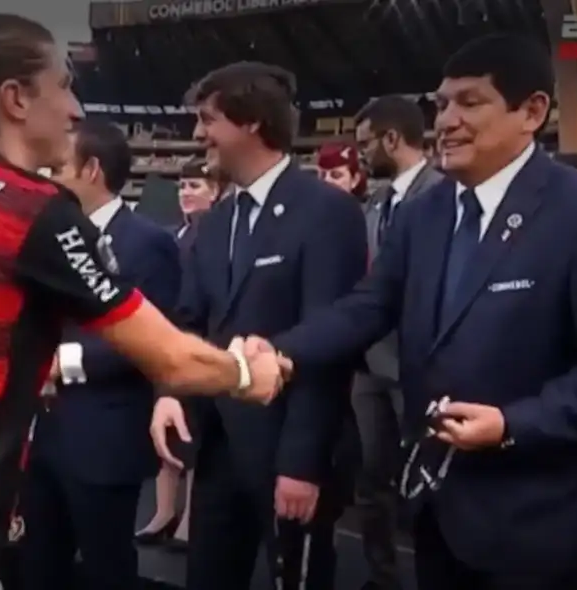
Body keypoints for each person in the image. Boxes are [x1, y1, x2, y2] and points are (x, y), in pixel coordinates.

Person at [0, 14, 287, 589]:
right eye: (63, 85)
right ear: (15, 99)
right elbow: (171, 359)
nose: (75, 109)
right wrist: (248, 372)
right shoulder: (34, 210)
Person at [244, 34, 577, 590]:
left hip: (537, 522)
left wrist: (514, 425)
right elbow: (368, 306)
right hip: (439, 513)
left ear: (532, 112)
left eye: (470, 102)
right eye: (442, 104)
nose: (446, 121)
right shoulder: (423, 216)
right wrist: (282, 351)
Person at [149, 61, 367, 590]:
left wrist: (302, 464)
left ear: (250, 121)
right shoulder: (217, 220)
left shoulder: (327, 211)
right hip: (217, 449)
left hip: (287, 453)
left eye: (208, 119)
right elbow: (190, 320)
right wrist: (170, 392)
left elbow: (329, 344)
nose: (198, 134)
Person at [22, 119, 181, 590]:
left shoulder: (148, 243)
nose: (49, 179)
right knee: (37, 566)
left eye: (58, 168)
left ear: (91, 170)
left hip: (105, 439)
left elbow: (151, 338)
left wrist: (59, 363)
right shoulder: (52, 236)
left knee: (106, 570)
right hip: (45, 435)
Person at [351, 95, 444, 590]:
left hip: (422, 366)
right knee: (372, 480)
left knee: (432, 484)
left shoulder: (447, 196)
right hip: (370, 363)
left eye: (365, 143)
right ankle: (381, 577)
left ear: (391, 139)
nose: (360, 154)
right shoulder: (375, 203)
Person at [137, 156, 224, 549]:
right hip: (165, 334)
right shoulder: (172, 235)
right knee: (165, 430)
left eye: (195, 186)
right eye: (183, 186)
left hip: (199, 340)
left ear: (215, 191)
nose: (186, 193)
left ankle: (190, 520)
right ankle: (163, 512)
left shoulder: (216, 234)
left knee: (194, 432)